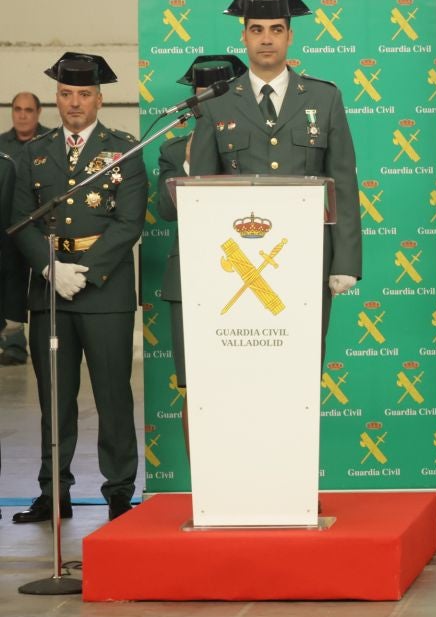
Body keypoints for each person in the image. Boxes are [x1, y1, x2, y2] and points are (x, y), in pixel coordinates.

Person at [162, 0, 362, 357]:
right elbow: (201, 190)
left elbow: (344, 182)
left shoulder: (324, 98)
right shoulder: (218, 100)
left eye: (275, 29)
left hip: (308, 259)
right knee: (241, 367)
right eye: (256, 30)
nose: (266, 39)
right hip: (236, 266)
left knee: (300, 366)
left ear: (290, 36)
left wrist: (345, 262)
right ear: (243, 36)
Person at [9, 54, 146, 522]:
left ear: (100, 100)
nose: (74, 103)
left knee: (113, 396)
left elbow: (129, 222)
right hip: (49, 289)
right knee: (54, 399)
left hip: (104, 289)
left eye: (84, 94)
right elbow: (18, 222)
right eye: (66, 94)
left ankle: (120, 491)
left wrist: (83, 271)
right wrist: (51, 269)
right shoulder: (35, 152)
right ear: (57, 99)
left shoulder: (123, 149)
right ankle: (54, 492)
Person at [154, 54, 250, 386]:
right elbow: (166, 211)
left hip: (251, 276)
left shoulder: (258, 148)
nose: (208, 101)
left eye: (217, 92)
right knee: (196, 388)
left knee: (248, 382)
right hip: (191, 276)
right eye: (201, 93)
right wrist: (190, 164)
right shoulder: (173, 151)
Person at [1, 92, 51, 366]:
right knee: (10, 282)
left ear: (38, 112)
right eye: (17, 109)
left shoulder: (50, 142)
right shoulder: (1, 145)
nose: (22, 115)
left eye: (28, 110)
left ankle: (47, 342)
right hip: (8, 226)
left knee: (44, 281)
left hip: (43, 224)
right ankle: (13, 344)